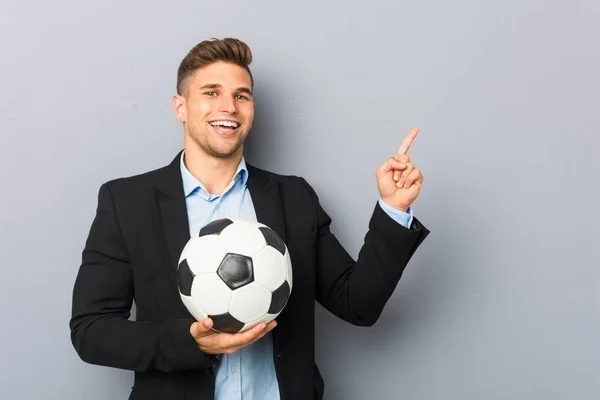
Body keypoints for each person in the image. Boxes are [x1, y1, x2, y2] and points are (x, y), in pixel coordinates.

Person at [69, 37, 430, 400]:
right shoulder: (128, 201)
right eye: (211, 92)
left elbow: (358, 304)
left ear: (252, 108)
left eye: (241, 96)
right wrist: (191, 342)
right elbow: (91, 330)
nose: (228, 107)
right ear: (180, 106)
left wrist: (393, 209)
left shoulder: (293, 197)